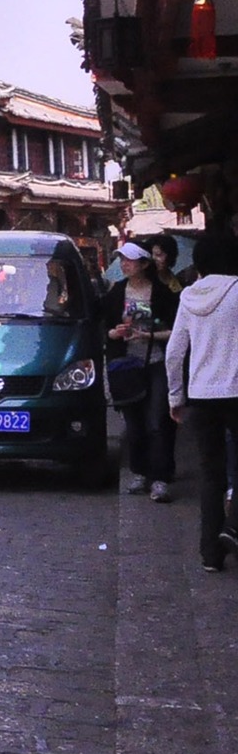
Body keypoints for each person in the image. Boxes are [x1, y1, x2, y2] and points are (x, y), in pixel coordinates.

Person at [168, 233, 238, 571]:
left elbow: (174, 351)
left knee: (211, 475)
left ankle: (210, 553)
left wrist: (175, 396)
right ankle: (233, 528)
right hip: (236, 391)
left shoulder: (188, 297)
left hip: (202, 395)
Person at [103, 241, 180, 501]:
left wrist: (148, 335)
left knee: (157, 421)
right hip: (126, 366)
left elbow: (177, 330)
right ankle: (139, 472)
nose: (125, 264)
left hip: (156, 362)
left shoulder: (162, 294)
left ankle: (160, 477)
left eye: (130, 260)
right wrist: (115, 333)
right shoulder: (116, 294)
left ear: (144, 264)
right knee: (134, 424)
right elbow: (105, 327)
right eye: (122, 259)